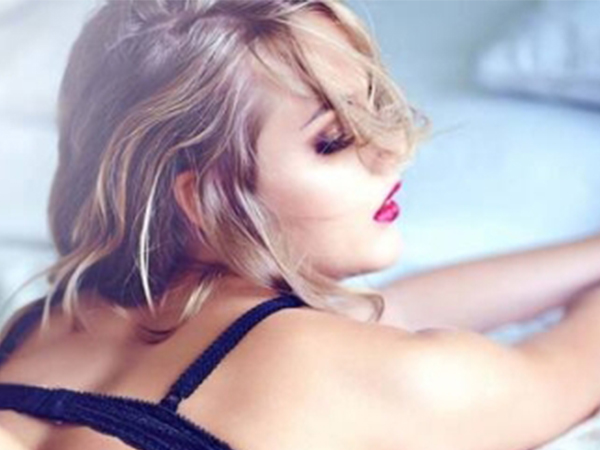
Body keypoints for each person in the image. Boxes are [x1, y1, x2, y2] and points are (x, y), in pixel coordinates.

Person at [1, 0, 600, 449]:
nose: (392, 150)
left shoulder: (38, 326)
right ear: (203, 198)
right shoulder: (346, 371)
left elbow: (387, 310)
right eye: (333, 141)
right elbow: (562, 374)